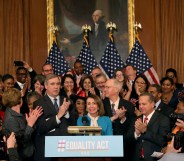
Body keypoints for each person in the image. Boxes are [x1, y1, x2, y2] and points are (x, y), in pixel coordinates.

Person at [33, 74, 75, 161]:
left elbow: (74, 124)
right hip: (47, 148)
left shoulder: (67, 101)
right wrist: (58, 116)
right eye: (52, 84)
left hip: (65, 148)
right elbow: (40, 128)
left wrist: (66, 113)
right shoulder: (38, 103)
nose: (56, 87)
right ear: (45, 86)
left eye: (58, 84)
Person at [126, 92, 170, 161]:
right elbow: (127, 140)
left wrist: (146, 131)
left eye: (144, 104)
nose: (141, 106)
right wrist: (136, 134)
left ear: (152, 104)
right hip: (136, 158)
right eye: (139, 104)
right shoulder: (136, 119)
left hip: (153, 159)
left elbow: (162, 140)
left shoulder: (163, 119)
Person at [2, 88, 43, 160]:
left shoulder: (14, 112)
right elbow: (21, 141)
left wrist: (29, 122)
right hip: (23, 156)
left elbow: (22, 131)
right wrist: (30, 125)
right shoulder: (10, 119)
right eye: (21, 97)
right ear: (19, 100)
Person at [103, 78, 135, 161]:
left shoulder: (128, 106)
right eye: (104, 87)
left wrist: (123, 118)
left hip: (123, 148)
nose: (104, 89)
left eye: (107, 87)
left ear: (116, 89)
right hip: (105, 146)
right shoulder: (101, 105)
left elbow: (131, 128)